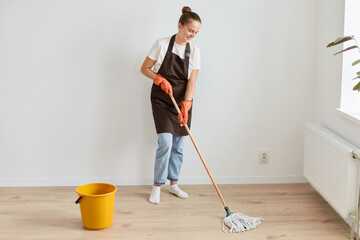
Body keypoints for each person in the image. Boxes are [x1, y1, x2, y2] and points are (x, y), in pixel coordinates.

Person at [140, 6, 201, 204]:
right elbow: (145, 68)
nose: (192, 35)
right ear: (180, 25)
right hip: (162, 99)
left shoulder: (195, 51)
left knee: (179, 145)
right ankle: (157, 186)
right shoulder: (162, 44)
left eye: (196, 32)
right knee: (165, 143)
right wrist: (159, 79)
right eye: (190, 30)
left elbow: (192, 81)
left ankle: (173, 184)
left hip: (182, 100)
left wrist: (187, 103)